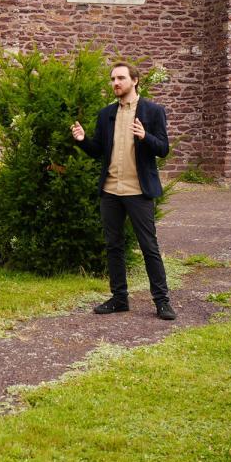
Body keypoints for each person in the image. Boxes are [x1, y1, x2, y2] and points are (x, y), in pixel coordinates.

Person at [71, 61, 177, 321]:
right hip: (110, 191)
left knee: (148, 246)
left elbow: (163, 149)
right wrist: (84, 141)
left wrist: (144, 137)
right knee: (113, 246)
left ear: (135, 80)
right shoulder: (106, 114)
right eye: (112, 79)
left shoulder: (153, 111)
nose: (115, 83)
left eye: (120, 78)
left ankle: (162, 302)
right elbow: (99, 151)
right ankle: (119, 299)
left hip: (138, 191)